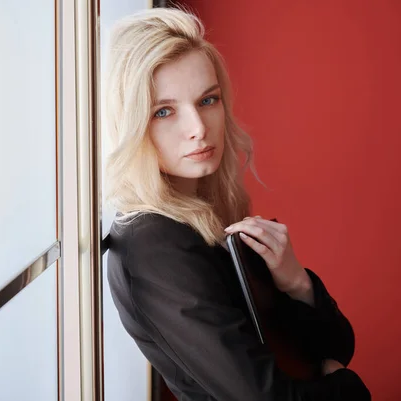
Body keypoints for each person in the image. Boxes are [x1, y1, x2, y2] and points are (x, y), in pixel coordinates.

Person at [103, 7, 370, 401]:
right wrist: (348, 387)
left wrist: (295, 282)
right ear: (132, 124)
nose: (197, 129)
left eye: (207, 100)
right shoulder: (155, 243)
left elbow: (336, 345)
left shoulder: (204, 214)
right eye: (164, 111)